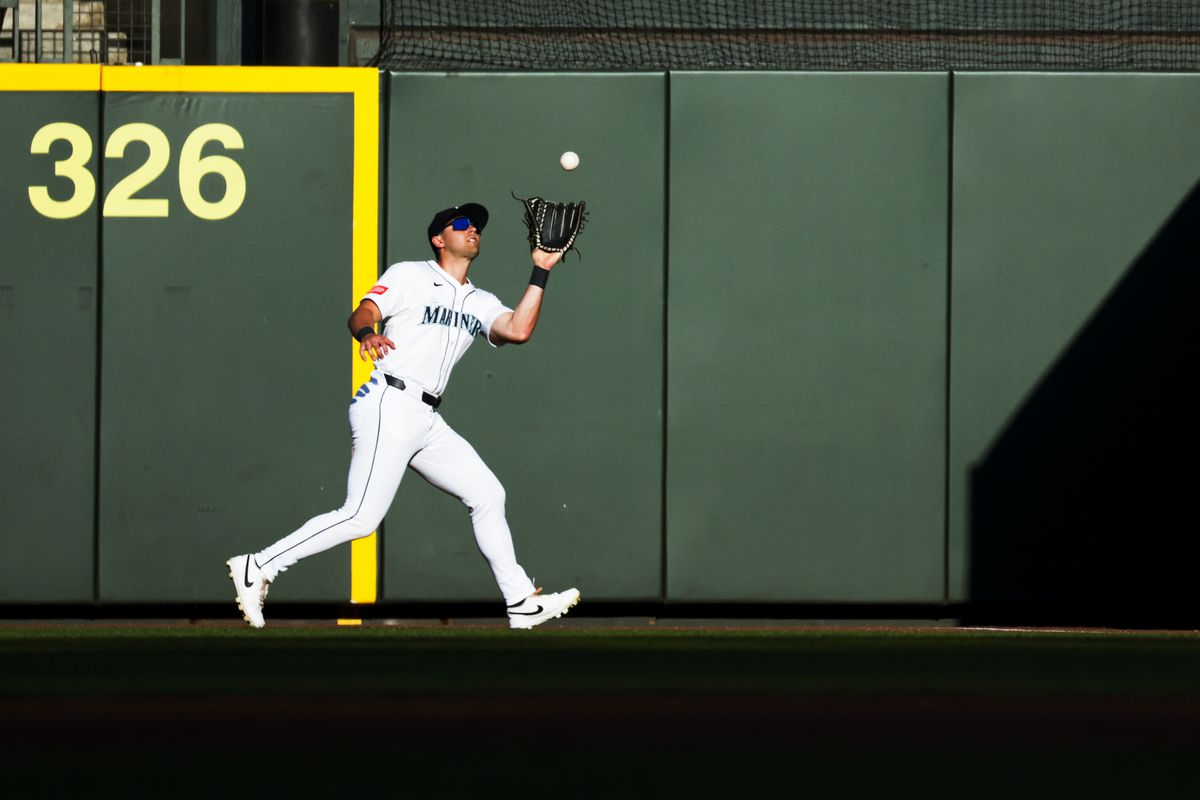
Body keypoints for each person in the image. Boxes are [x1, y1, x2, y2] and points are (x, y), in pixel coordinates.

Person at [226, 202, 580, 629]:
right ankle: (259, 565)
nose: (473, 231)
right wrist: (368, 334)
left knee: (488, 494)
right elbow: (363, 312)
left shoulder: (479, 300)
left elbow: (518, 330)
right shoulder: (410, 275)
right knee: (361, 516)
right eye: (462, 224)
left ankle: (521, 602)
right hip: (389, 401)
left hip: (427, 419)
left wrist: (541, 270)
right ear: (439, 238)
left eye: (478, 226)